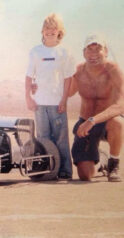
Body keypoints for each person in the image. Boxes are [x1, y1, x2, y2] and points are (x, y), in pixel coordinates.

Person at [25, 13, 75, 180]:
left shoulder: (64, 52)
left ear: (59, 31)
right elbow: (28, 76)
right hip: (40, 104)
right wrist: (28, 97)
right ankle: (47, 169)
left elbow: (68, 78)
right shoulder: (35, 51)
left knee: (61, 139)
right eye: (47, 28)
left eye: (54, 28)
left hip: (57, 103)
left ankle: (65, 170)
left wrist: (64, 100)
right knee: (43, 138)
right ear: (42, 31)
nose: (50, 31)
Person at [68, 34, 124, 182]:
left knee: (118, 122)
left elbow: (121, 104)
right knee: (85, 176)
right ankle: (101, 162)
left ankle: (114, 163)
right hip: (85, 123)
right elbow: (68, 92)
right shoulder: (79, 71)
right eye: (89, 49)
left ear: (105, 51)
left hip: (106, 122)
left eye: (97, 49)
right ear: (83, 53)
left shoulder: (113, 70)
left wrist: (93, 120)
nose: (93, 54)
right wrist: (40, 86)